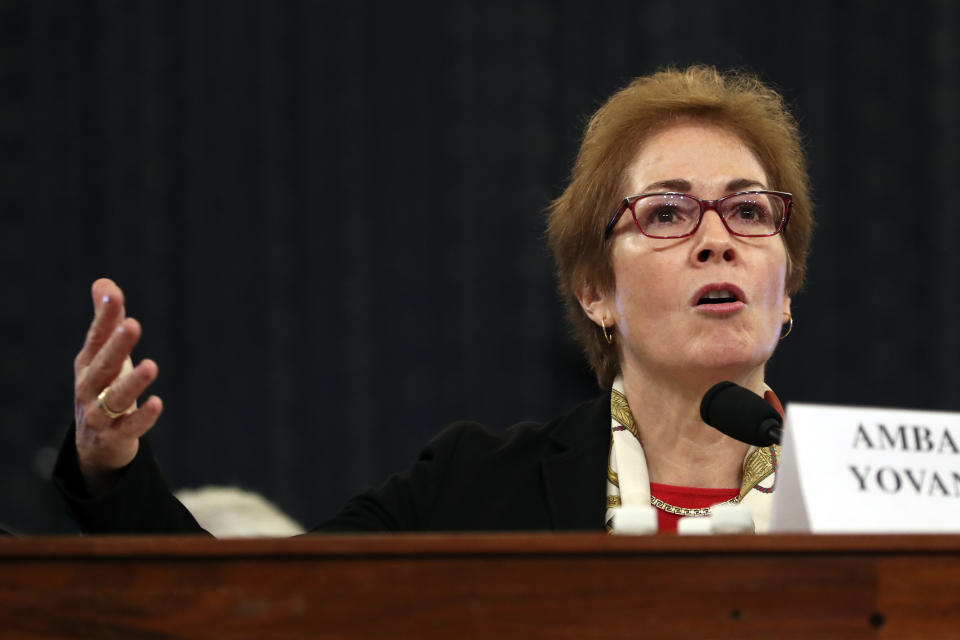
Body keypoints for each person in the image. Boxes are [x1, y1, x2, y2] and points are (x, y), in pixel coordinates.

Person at [54, 65, 812, 535]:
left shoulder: (871, 484)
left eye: (749, 211)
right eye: (667, 214)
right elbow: (244, 610)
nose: (718, 240)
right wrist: (110, 468)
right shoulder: (474, 488)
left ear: (785, 288)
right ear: (594, 292)